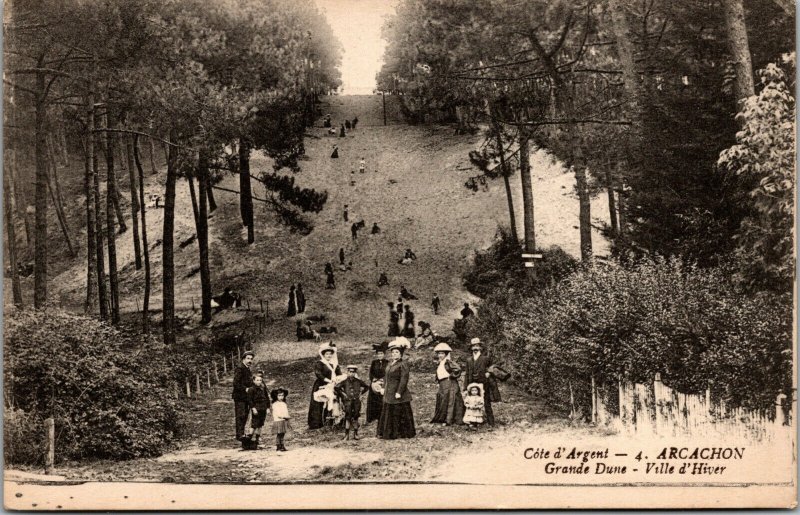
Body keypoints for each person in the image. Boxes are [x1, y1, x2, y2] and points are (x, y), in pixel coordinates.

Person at [377, 340, 416, 439]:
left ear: (401, 354)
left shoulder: (403, 364)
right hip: (388, 393)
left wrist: (399, 392)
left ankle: (400, 433)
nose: (394, 354)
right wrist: (382, 387)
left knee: (399, 412)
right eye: (393, 352)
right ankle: (386, 432)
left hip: (398, 393)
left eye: (397, 352)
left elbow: (404, 379)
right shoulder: (390, 364)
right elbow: (386, 377)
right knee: (388, 412)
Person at [463, 338, 501, 426]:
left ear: (480, 347)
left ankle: (491, 422)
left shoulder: (485, 358)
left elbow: (493, 366)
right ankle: (473, 421)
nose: (475, 348)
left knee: (486, 402)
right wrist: (465, 387)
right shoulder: (469, 360)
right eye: (473, 346)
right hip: (472, 384)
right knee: (472, 402)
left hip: (484, 383)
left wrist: (488, 372)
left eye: (477, 346)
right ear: (471, 348)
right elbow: (467, 373)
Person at [308, 342, 343, 429]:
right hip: (321, 384)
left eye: (330, 354)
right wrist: (327, 380)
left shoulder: (334, 364)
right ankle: (317, 422)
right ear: (323, 354)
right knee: (319, 402)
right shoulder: (320, 363)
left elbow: (339, 374)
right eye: (327, 354)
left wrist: (337, 379)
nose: (329, 356)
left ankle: (331, 420)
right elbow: (318, 374)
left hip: (333, 385)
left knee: (334, 400)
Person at [430, 343, 466, 426]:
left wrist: (451, 376)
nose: (440, 355)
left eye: (442, 353)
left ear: (446, 354)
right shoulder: (441, 363)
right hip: (443, 384)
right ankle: (442, 418)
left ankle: (449, 419)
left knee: (450, 400)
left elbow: (458, 369)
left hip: (450, 383)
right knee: (443, 399)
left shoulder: (448, 362)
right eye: (439, 353)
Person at [335, 365, 370, 440]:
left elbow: (367, 387)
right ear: (347, 372)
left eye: (353, 372)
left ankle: (356, 434)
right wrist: (343, 394)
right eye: (350, 372)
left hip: (356, 402)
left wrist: (361, 393)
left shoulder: (358, 381)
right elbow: (336, 387)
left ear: (355, 373)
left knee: (356, 417)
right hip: (348, 402)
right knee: (348, 417)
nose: (352, 373)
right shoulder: (344, 382)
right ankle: (346, 435)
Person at [243, 373, 271, 450]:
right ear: (254, 381)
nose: (259, 382)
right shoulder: (251, 389)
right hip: (256, 408)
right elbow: (249, 400)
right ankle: (247, 441)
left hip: (263, 408)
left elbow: (267, 398)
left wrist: (268, 407)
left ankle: (257, 439)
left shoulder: (263, 388)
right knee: (254, 424)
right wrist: (253, 408)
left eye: (260, 380)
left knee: (260, 424)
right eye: (257, 380)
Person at [232, 351, 255, 441]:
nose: (250, 360)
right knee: (241, 415)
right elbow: (236, 383)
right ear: (243, 359)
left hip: (246, 397)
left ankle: (241, 434)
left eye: (251, 359)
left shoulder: (247, 368)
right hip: (240, 396)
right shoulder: (240, 368)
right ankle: (239, 434)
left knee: (245, 415)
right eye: (248, 358)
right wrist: (245, 389)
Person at [366, 343, 388, 424]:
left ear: (384, 354)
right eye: (378, 354)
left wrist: (382, 380)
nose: (380, 355)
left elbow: (388, 373)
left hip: (383, 383)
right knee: (373, 400)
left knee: (382, 399)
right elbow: (371, 373)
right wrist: (374, 379)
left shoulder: (387, 362)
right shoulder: (374, 362)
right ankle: (372, 417)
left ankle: (382, 416)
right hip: (374, 384)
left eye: (381, 354)